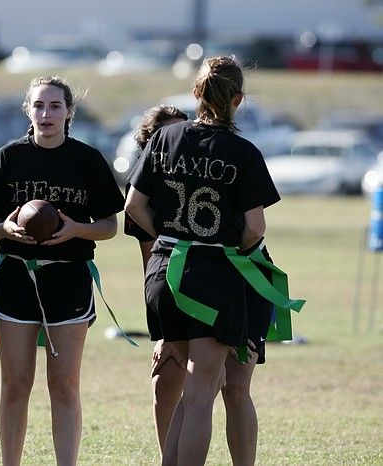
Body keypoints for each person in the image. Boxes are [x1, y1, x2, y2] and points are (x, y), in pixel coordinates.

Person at [125, 56, 280, 466]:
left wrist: (170, 238)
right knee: (198, 397)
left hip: (163, 274)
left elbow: (134, 205)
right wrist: (230, 250)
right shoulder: (243, 152)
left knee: (187, 393)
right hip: (213, 277)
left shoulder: (166, 138)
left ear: (196, 93)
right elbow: (255, 227)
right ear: (238, 99)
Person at [0, 75, 125, 466]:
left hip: (69, 277)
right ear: (28, 110)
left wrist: (77, 229)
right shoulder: (7, 157)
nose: (46, 114)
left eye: (55, 106)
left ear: (69, 112)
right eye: (39, 106)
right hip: (16, 277)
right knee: (15, 384)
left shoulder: (88, 159)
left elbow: (110, 225)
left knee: (64, 384)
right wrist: (5, 228)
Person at [121, 105, 189, 453]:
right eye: (170, 134)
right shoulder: (143, 192)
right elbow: (153, 266)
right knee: (165, 382)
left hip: (221, 290)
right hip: (175, 293)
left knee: (225, 386)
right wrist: (165, 332)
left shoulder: (200, 175)